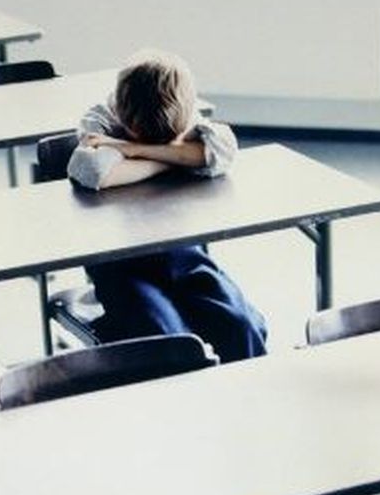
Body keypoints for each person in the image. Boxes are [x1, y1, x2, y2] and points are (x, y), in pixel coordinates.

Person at [65, 49, 268, 362]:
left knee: (241, 326)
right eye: (139, 136)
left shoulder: (178, 113)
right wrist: (174, 157)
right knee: (169, 337)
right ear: (123, 112)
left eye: (166, 140)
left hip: (184, 256)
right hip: (123, 266)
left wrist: (132, 149)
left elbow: (223, 150)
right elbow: (94, 172)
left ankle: (246, 402)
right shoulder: (102, 117)